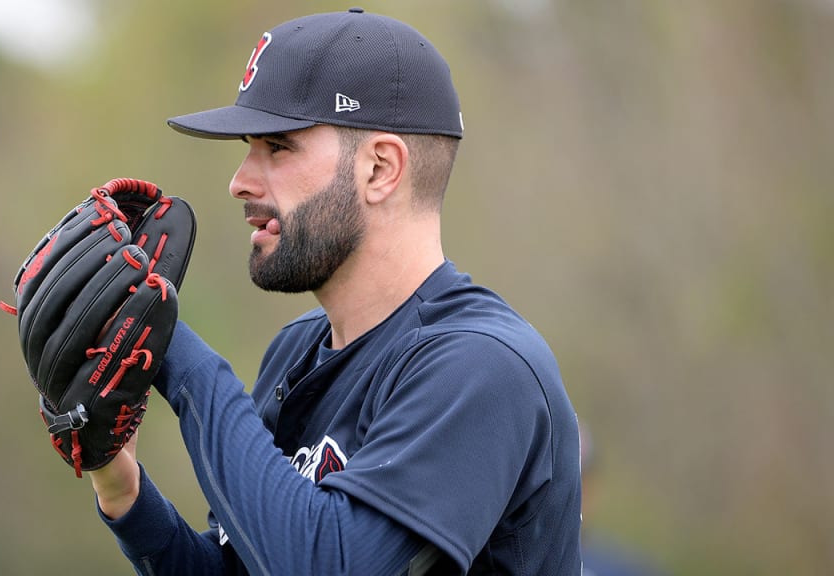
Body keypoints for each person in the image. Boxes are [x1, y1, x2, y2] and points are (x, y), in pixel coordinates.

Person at [89, 8, 582, 575]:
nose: (240, 180)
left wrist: (174, 350)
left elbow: (329, 564)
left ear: (379, 168)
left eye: (277, 146)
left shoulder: (483, 367)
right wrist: (125, 495)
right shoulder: (297, 352)